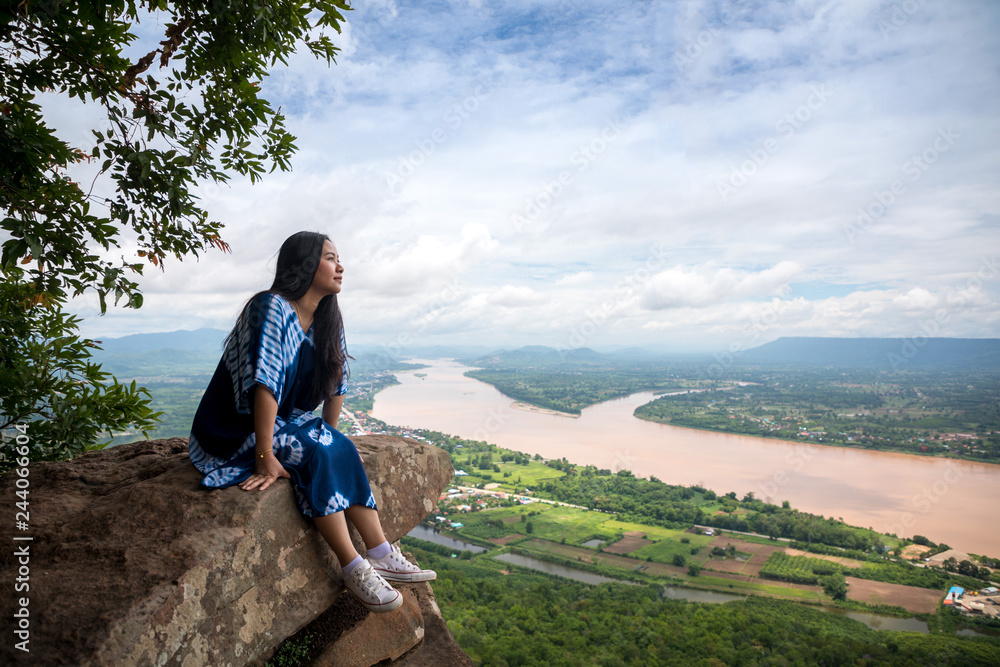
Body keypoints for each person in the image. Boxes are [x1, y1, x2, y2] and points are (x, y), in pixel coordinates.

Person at [188, 231, 435, 613]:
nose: (341, 266)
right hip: (235, 426)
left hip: (286, 419)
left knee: (338, 445)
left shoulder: (325, 319)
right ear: (304, 264)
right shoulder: (271, 307)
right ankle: (352, 566)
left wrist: (331, 436)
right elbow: (264, 384)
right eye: (331, 258)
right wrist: (264, 454)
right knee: (316, 449)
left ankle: (381, 552)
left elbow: (335, 384)